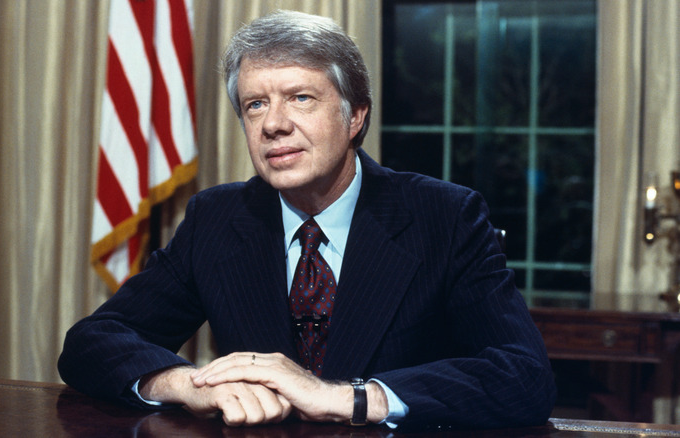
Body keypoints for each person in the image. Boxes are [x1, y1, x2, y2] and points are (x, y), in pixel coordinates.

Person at [58, 10, 556, 431]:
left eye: (300, 98)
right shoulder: (218, 217)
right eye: (256, 105)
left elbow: (524, 374)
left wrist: (349, 398)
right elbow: (92, 342)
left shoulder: (444, 216)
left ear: (355, 115)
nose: (274, 124)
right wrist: (189, 384)